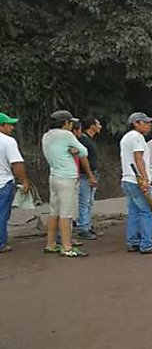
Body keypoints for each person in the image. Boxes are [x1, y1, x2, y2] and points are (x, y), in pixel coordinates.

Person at [42, 110, 91, 257]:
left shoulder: (47, 135)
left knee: (54, 211)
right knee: (66, 213)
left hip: (54, 175)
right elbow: (84, 152)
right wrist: (73, 151)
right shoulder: (66, 135)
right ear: (65, 123)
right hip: (67, 176)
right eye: (70, 122)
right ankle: (67, 246)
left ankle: (51, 244)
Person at [120, 112, 152, 254]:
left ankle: (132, 241)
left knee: (134, 212)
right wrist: (145, 179)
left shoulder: (126, 137)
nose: (149, 125)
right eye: (145, 123)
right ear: (136, 123)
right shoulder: (137, 138)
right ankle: (147, 244)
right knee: (147, 212)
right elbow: (139, 159)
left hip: (127, 179)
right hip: (137, 180)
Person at [0, 112, 31, 253]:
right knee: (2, 214)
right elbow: (17, 163)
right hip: (3, 182)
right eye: (9, 124)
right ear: (1, 126)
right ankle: (1, 243)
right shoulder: (8, 141)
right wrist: (24, 180)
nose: (12, 127)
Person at [73, 118, 101, 240]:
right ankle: (83, 227)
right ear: (92, 126)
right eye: (98, 124)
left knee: (89, 201)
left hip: (91, 173)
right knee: (85, 202)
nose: (100, 126)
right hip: (86, 175)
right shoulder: (84, 140)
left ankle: (87, 225)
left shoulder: (88, 139)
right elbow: (83, 158)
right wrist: (90, 175)